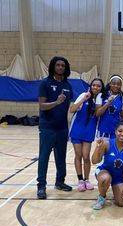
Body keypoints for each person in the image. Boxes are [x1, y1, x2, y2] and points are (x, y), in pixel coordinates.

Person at [37, 56, 73, 199]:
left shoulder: (68, 86)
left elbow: (70, 106)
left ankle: (60, 182)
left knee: (61, 157)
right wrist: (56, 102)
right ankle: (41, 186)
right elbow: (42, 105)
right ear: (53, 66)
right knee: (44, 156)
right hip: (47, 127)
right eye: (58, 65)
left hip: (62, 127)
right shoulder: (45, 83)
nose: (60, 67)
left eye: (63, 66)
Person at [69, 78, 105, 192]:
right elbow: (72, 109)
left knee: (86, 156)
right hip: (77, 129)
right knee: (78, 155)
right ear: (90, 86)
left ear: (101, 88)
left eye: (98, 86)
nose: (95, 87)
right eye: (94, 85)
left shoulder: (100, 100)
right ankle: (80, 180)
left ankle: (86, 179)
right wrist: (83, 99)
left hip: (89, 130)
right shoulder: (84, 95)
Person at [91, 120, 123, 209]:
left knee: (122, 203)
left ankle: (116, 191)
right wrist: (98, 147)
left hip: (118, 176)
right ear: (115, 131)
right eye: (120, 131)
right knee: (105, 178)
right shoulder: (107, 144)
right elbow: (94, 161)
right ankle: (101, 197)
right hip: (104, 171)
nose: (122, 134)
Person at [96, 75, 123, 140]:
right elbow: (97, 114)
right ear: (110, 84)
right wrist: (108, 103)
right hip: (103, 129)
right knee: (102, 149)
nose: (116, 86)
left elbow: (121, 115)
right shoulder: (101, 95)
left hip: (116, 131)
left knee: (113, 150)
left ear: (121, 85)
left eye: (118, 84)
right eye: (113, 83)